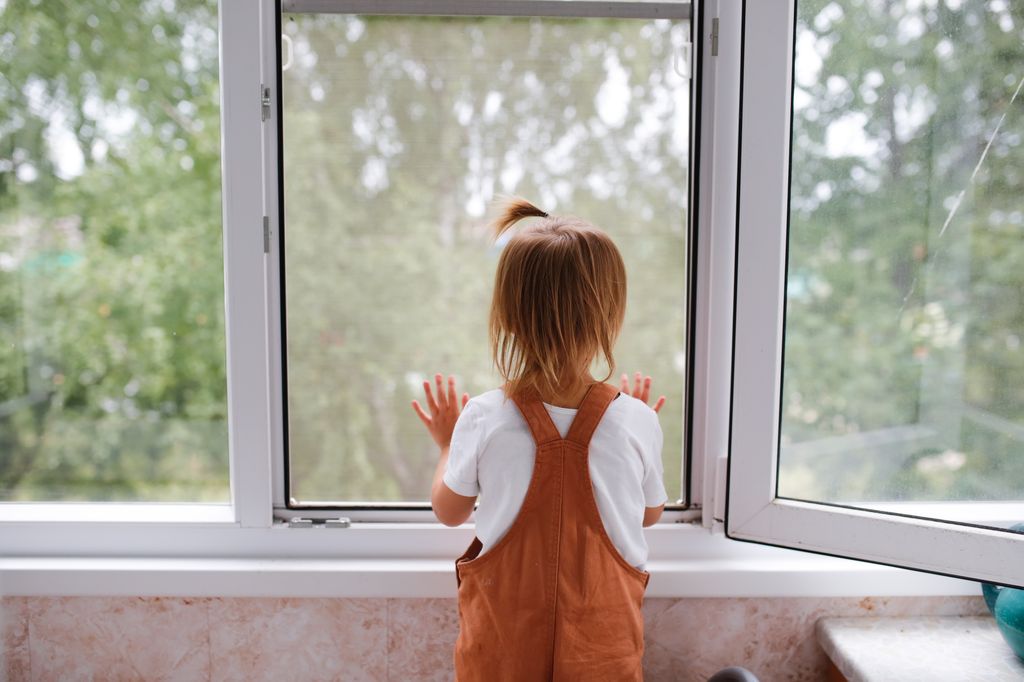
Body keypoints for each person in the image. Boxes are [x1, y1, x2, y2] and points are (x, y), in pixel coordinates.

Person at [411, 197, 668, 681]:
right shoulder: (635, 420)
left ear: (506, 316)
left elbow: (450, 512)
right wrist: (634, 431)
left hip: (501, 662)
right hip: (604, 660)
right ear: (609, 316)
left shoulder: (484, 417)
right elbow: (649, 515)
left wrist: (447, 446)